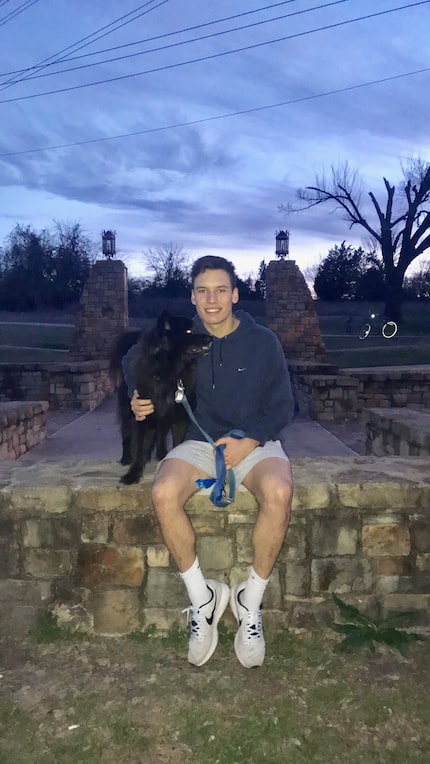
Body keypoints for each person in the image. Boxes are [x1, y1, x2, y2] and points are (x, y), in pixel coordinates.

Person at [129, 255, 294, 668]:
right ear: (193, 296)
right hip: (200, 444)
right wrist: (137, 396)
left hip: (255, 442)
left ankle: (248, 603)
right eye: (203, 291)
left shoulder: (262, 342)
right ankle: (204, 600)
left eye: (221, 289)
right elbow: (136, 361)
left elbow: (284, 405)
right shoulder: (181, 338)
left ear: (235, 294)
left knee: (279, 491)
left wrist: (250, 440)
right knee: (164, 492)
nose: (212, 299)